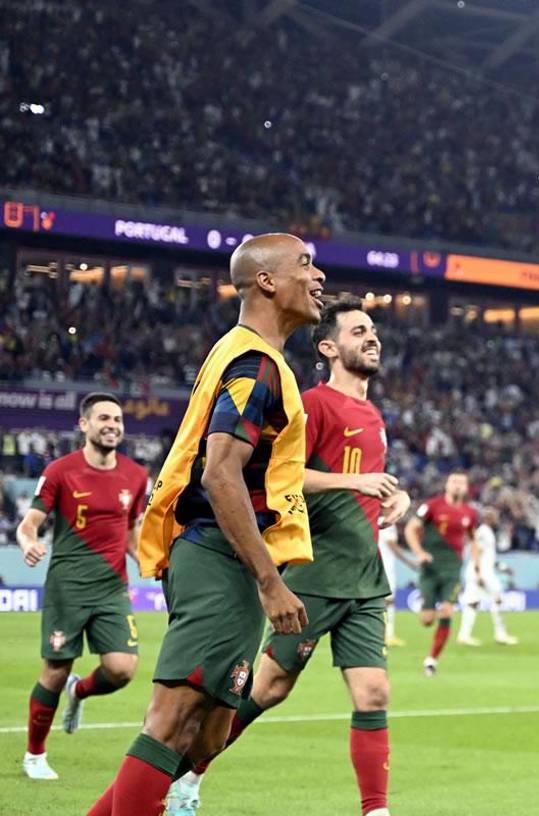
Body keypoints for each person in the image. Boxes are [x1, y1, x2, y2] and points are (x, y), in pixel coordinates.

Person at [85, 233, 324, 816]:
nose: (319, 277)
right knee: (172, 723)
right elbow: (221, 474)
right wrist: (270, 581)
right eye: (305, 265)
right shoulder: (255, 366)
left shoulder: (253, 357)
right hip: (220, 554)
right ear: (266, 280)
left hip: (226, 558)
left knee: (206, 736)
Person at [164, 299, 409, 816]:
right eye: (359, 331)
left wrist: (396, 497)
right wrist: (354, 481)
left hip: (365, 574)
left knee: (374, 693)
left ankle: (376, 810)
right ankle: (184, 777)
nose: (372, 338)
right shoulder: (314, 405)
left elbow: (370, 483)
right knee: (270, 687)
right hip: (315, 571)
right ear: (328, 346)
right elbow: (283, 474)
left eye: (373, 331)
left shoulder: (373, 414)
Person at [17, 393, 148, 781]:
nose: (113, 425)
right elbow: (30, 524)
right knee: (55, 670)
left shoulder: (136, 476)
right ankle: (35, 755)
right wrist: (29, 543)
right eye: (104, 418)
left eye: (118, 420)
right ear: (84, 425)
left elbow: (131, 535)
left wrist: (153, 564)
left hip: (112, 587)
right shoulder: (61, 471)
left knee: (123, 669)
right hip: (68, 587)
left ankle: (80, 693)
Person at [406, 472, 479, 676]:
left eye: (462, 482)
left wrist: (477, 564)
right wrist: (419, 552)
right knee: (427, 619)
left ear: (466, 488)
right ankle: (428, 607)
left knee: (447, 611)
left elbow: (473, 539)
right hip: (430, 568)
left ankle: (431, 661)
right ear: (447, 485)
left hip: (453, 569)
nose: (457, 486)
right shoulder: (432, 506)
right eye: (454, 482)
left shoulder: (470, 513)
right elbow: (411, 529)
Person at [456, 506, 519, 647]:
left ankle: (464, 635)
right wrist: (479, 572)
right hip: (482, 572)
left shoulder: (485, 532)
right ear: (488, 518)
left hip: (476, 571)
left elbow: (489, 557)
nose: (497, 519)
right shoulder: (485, 532)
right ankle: (500, 634)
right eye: (494, 516)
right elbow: (477, 551)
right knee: (498, 599)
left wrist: (503, 568)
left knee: (472, 603)